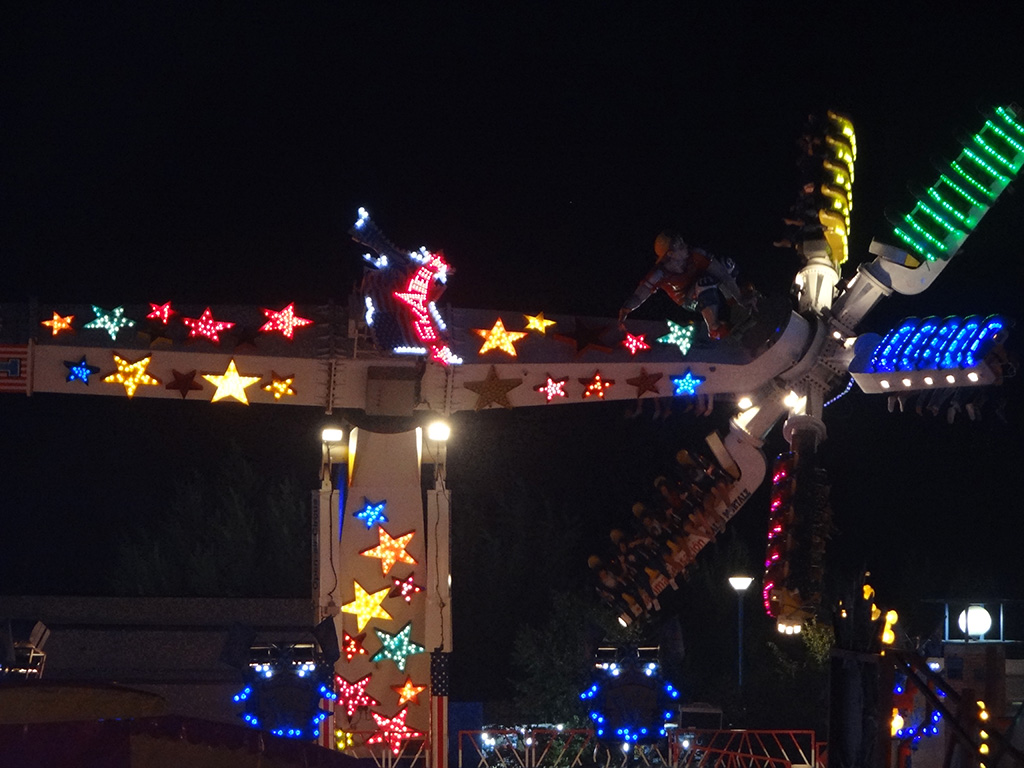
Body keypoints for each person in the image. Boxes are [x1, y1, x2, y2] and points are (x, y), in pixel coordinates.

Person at [619, 231, 745, 339]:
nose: (685, 246)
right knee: (704, 282)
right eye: (680, 246)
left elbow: (722, 274)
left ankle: (733, 302)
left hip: (704, 283)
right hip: (689, 298)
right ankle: (714, 328)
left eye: (683, 243)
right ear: (670, 254)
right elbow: (641, 293)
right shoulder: (660, 273)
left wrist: (739, 297)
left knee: (727, 264)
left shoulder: (695, 254)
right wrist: (626, 309)